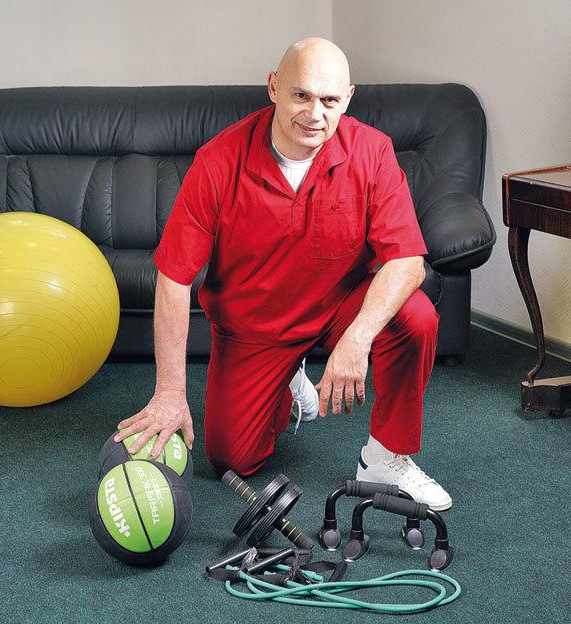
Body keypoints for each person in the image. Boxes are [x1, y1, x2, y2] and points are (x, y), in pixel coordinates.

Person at [115, 37, 451, 511]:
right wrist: (170, 392)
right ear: (274, 87)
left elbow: (407, 261)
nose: (315, 114)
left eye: (329, 100)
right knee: (232, 459)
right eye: (301, 95)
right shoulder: (218, 160)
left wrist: (356, 340)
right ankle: (289, 380)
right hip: (256, 327)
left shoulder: (373, 151)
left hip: (339, 307)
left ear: (348, 98)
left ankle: (385, 457)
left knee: (414, 317)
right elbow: (174, 278)